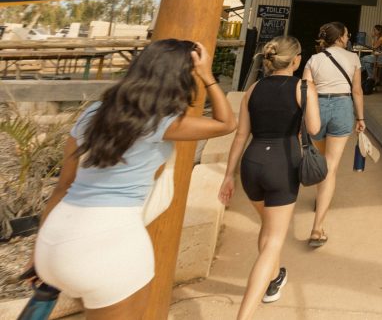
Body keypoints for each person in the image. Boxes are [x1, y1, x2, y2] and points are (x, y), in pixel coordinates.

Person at [31, 40, 237, 318]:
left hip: (54, 239)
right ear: (180, 77)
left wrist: (38, 251)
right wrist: (207, 75)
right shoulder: (159, 122)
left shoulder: (93, 113)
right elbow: (226, 124)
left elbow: (62, 186)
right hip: (110, 237)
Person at [218, 36, 321, 317]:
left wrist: (228, 175)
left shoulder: (253, 89)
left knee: (268, 228)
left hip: (252, 164)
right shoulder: (303, 87)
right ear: (296, 60)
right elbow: (314, 128)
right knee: (274, 241)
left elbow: (241, 135)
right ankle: (244, 314)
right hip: (282, 164)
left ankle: (274, 280)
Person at [302, 22, 366, 248]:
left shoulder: (313, 59)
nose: (348, 38)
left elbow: (305, 89)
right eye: (347, 35)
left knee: (321, 162)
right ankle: (317, 228)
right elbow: (357, 91)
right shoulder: (353, 58)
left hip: (317, 107)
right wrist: (360, 118)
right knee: (330, 167)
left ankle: (320, 200)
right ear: (339, 38)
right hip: (342, 106)